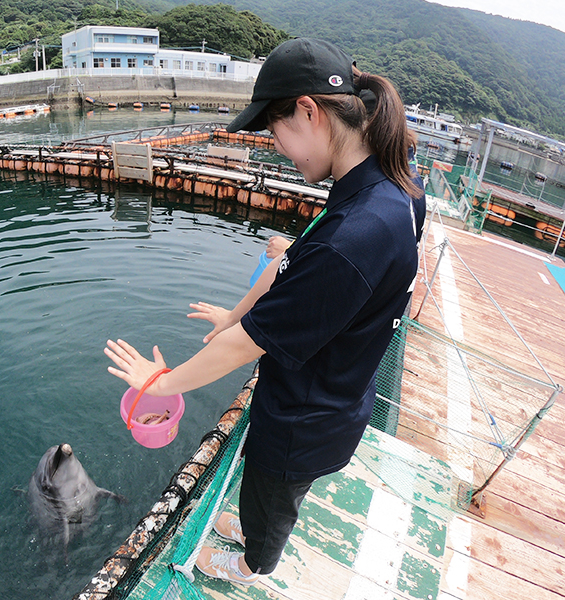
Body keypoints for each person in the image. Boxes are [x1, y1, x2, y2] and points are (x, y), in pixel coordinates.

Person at [104, 37, 424, 587]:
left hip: (307, 415)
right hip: (329, 389)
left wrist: (158, 386)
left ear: (308, 111)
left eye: (275, 131)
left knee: (273, 496)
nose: (278, 148)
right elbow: (296, 262)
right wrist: (235, 313)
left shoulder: (355, 238)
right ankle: (255, 533)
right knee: (264, 491)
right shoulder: (386, 193)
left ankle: (255, 563)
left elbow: (247, 344)